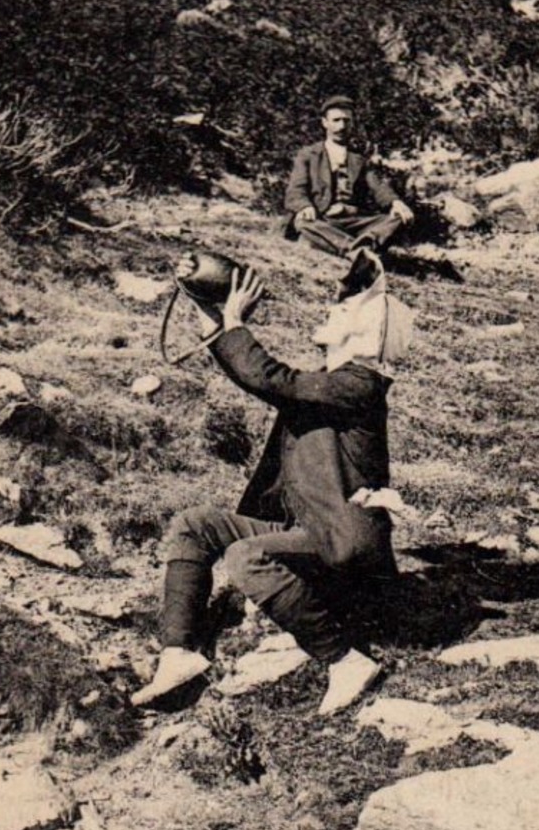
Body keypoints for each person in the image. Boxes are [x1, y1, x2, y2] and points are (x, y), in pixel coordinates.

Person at [132, 253, 415, 716]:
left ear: (365, 334)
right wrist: (214, 314)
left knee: (247, 555)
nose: (330, 312)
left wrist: (234, 322)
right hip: (310, 532)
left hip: (344, 548)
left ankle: (344, 660)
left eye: (342, 312)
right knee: (195, 525)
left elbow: (269, 379)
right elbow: (269, 381)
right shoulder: (331, 384)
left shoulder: (361, 386)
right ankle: (179, 652)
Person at [283, 95, 414, 256]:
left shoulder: (359, 159)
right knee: (304, 223)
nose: (342, 126)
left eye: (347, 121)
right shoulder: (308, 155)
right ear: (325, 122)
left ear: (352, 124)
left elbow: (378, 186)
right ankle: (357, 250)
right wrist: (304, 206)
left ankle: (354, 244)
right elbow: (296, 190)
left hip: (355, 221)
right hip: (323, 219)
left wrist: (396, 202)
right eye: (336, 120)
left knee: (398, 219)